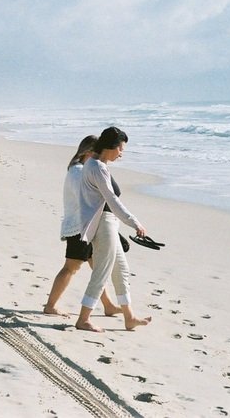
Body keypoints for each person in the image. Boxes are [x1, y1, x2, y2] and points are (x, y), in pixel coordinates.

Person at [75, 126, 151, 332]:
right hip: (103, 223)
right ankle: (83, 319)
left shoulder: (93, 164)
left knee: (121, 269)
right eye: (121, 149)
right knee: (102, 272)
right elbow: (112, 200)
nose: (121, 154)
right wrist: (134, 222)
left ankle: (129, 317)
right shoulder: (97, 167)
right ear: (111, 146)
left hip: (106, 222)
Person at [43, 135, 121, 316]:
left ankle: (108, 305)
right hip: (79, 228)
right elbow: (95, 196)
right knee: (71, 267)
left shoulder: (79, 169)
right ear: (88, 152)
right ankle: (50, 306)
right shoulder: (79, 172)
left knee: (97, 267)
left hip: (86, 226)